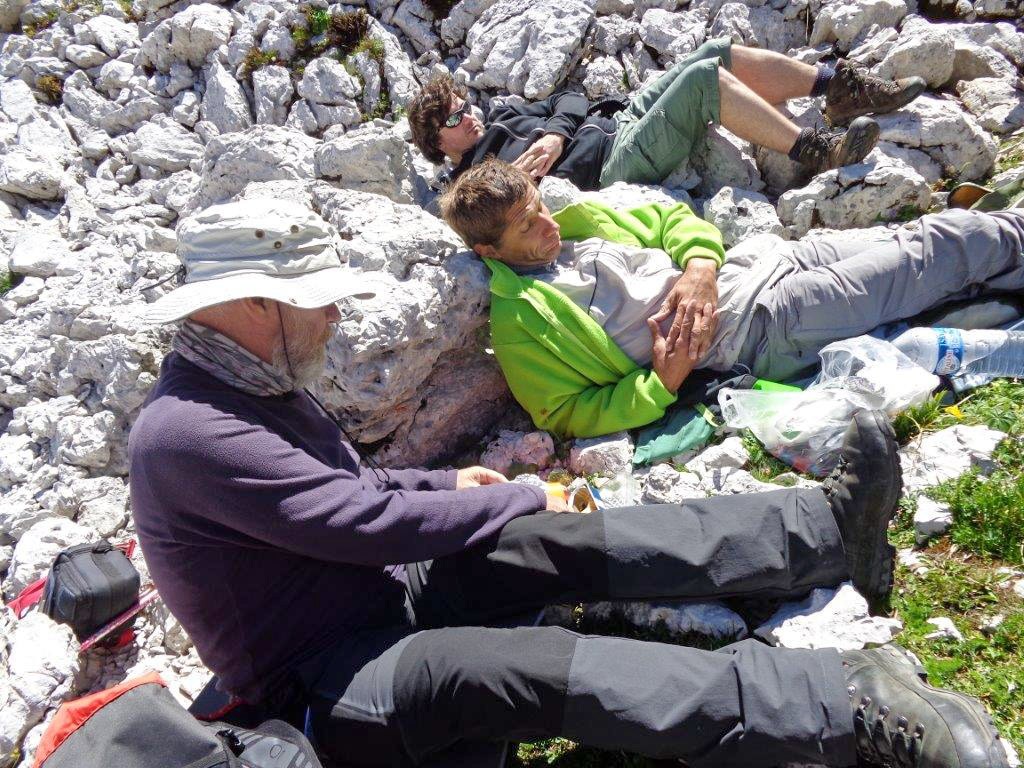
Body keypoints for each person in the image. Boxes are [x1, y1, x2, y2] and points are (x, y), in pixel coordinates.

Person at [129, 198, 1010, 768]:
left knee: (545, 539)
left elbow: (358, 490)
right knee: (509, 670)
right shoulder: (187, 434)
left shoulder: (253, 383)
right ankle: (843, 700)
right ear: (255, 305)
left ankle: (821, 534)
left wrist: (453, 487)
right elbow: (355, 521)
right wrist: (511, 492)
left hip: (383, 597)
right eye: (315, 298)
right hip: (326, 681)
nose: (331, 315)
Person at [438, 159, 1024, 439]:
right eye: (527, 225)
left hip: (760, 264)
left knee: (914, 239)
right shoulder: (520, 323)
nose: (548, 224)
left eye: (539, 206)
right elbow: (563, 413)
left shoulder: (577, 225)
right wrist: (660, 385)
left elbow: (669, 219)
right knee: (934, 251)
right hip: (760, 324)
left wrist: (699, 266)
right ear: (490, 250)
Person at [407, 40, 927, 192]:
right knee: (703, 82)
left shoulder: (506, 115)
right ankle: (816, 152)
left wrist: (555, 135)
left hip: (618, 119)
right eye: (453, 121)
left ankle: (839, 89)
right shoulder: (470, 182)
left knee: (713, 51)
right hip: (613, 163)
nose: (467, 118)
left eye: (464, 107)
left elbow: (569, 99)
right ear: (437, 145)